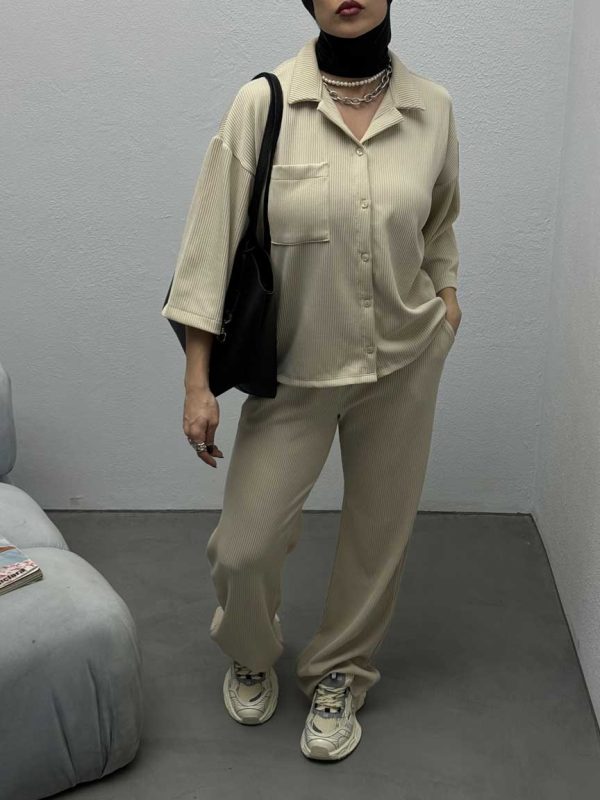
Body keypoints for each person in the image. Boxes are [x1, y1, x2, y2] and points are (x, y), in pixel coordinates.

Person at [161, 0, 462, 762]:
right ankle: (251, 650)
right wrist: (197, 382)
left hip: (401, 365)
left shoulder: (432, 109)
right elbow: (206, 251)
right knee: (244, 547)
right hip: (296, 371)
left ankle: (340, 674)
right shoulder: (264, 103)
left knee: (376, 538)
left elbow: (438, 224)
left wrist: (446, 298)